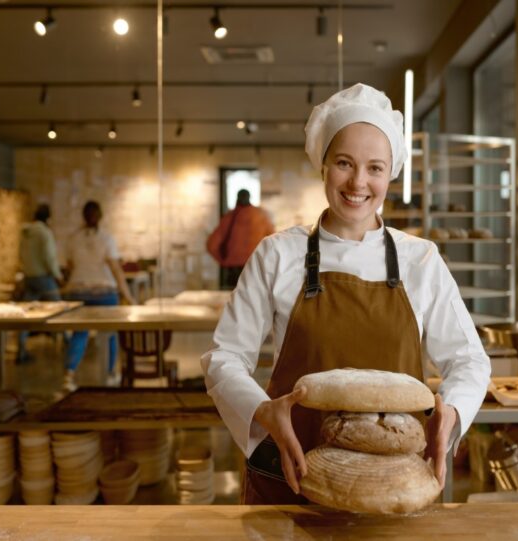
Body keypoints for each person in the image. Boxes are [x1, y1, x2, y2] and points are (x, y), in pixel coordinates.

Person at [201, 83, 491, 504]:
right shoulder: (278, 255)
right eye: (344, 163)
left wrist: (452, 413)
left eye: (375, 167)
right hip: (296, 476)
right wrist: (263, 411)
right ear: (323, 165)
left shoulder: (421, 260)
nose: (358, 181)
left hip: (396, 491)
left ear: (390, 173)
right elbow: (224, 356)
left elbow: (469, 360)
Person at [61, 200, 136, 392]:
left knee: (80, 333)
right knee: (110, 333)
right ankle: (110, 373)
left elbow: (69, 267)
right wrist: (129, 297)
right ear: (100, 216)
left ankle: (68, 375)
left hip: (77, 292)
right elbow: (116, 270)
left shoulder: (73, 239)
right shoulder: (106, 238)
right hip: (104, 292)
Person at [16, 203, 63, 363]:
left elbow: (20, 254)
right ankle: (68, 344)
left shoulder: (25, 233)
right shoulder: (45, 233)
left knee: (25, 315)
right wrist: (57, 275)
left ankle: (21, 350)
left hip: (29, 276)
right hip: (43, 277)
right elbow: (49, 257)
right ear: (48, 218)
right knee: (60, 309)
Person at [207, 189, 275, 289]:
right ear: (249, 198)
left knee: (232, 300)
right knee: (255, 301)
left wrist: (224, 260)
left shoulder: (230, 217)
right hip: (255, 267)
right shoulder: (261, 216)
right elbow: (273, 242)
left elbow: (211, 245)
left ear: (237, 198)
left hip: (234, 270)